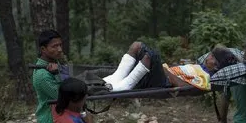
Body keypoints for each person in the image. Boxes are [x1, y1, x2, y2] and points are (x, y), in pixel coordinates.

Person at [102, 41, 238, 92]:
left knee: (152, 55)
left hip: (162, 82)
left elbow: (182, 86)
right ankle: (116, 78)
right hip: (159, 74)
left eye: (213, 57)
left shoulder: (206, 78)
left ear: (216, 66)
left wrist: (166, 71)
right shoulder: (200, 66)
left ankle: (124, 86)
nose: (208, 56)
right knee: (137, 45)